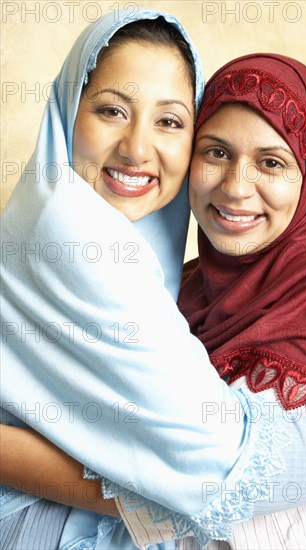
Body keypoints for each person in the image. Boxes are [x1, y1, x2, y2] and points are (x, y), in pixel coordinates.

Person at [1, 34, 306, 550]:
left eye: (272, 163)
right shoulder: (159, 277)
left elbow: (221, 478)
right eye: (216, 152)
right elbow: (201, 474)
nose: (236, 187)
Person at [0, 7, 204, 549]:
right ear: (68, 110)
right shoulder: (74, 237)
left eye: (169, 121)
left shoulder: (162, 267)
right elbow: (208, 457)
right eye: (113, 110)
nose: (137, 149)